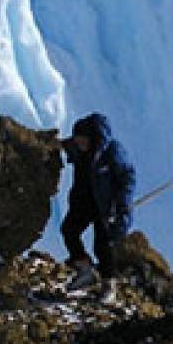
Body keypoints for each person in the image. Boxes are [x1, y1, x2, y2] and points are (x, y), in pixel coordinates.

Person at [60, 112, 136, 293]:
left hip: (106, 206)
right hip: (84, 203)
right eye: (77, 141)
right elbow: (63, 145)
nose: (80, 145)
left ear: (92, 138)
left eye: (82, 141)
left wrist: (122, 205)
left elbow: (127, 177)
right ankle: (85, 269)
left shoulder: (112, 152)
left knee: (102, 244)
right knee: (69, 230)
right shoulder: (77, 148)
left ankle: (109, 285)